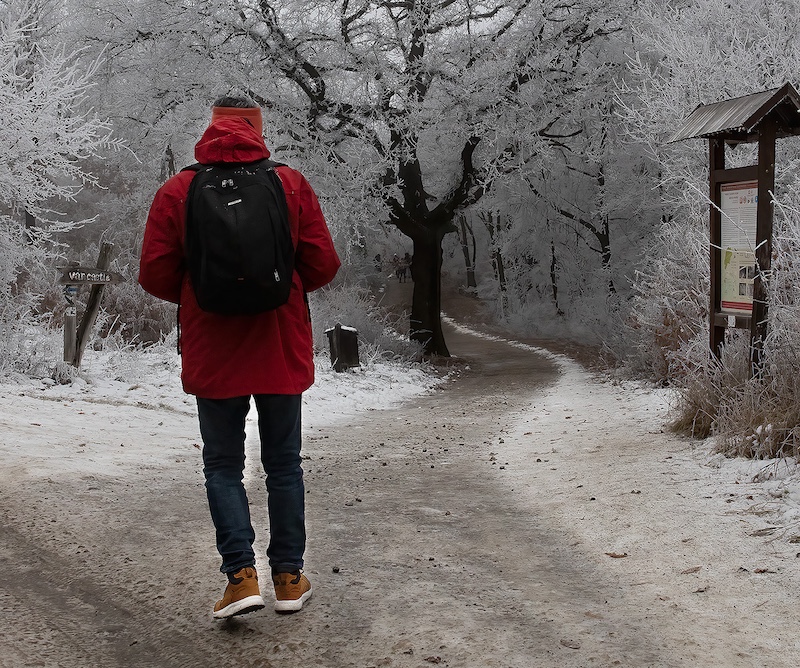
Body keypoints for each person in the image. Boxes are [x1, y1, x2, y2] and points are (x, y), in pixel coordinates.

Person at [138, 95, 341, 619]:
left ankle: (241, 577)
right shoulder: (289, 183)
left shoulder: (178, 190)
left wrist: (203, 290)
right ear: (257, 129)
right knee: (283, 465)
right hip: (278, 343)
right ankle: (290, 579)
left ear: (210, 130)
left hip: (214, 348)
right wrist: (283, 289)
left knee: (224, 465)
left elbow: (155, 274)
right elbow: (322, 262)